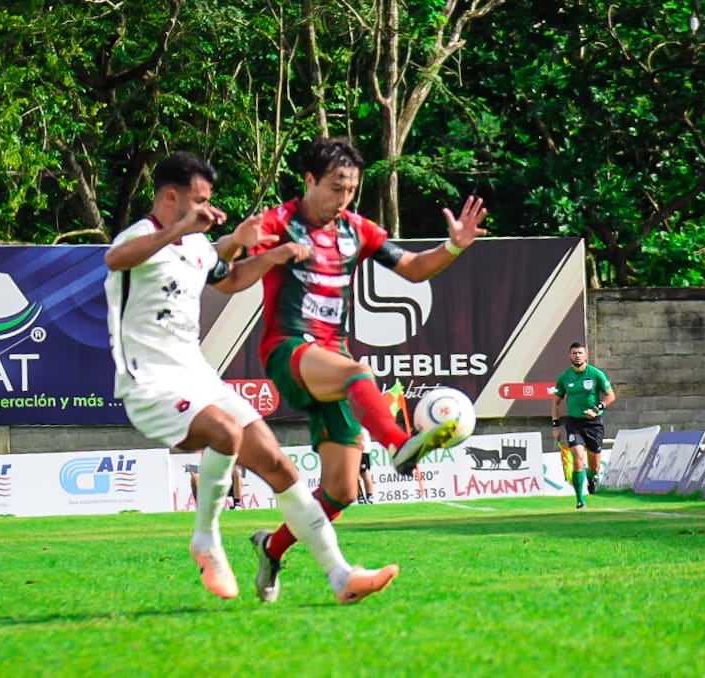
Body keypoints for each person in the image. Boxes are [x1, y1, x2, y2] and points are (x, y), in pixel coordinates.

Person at [105, 150, 398, 604]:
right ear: (171, 197)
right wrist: (184, 230)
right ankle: (206, 539)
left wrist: (272, 254)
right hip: (149, 383)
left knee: (280, 466)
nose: (207, 210)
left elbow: (230, 276)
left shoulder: (197, 246)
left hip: (198, 377)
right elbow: (115, 258)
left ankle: (342, 577)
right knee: (225, 433)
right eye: (199, 201)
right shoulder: (142, 236)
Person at [246, 137, 488, 603]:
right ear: (309, 180)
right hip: (288, 349)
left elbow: (413, 268)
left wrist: (454, 247)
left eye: (352, 189)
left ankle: (271, 549)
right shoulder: (279, 222)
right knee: (360, 373)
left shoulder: (357, 229)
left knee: (340, 491)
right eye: (336, 187)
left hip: (330, 357)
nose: (344, 198)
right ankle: (398, 444)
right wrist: (243, 246)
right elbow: (232, 265)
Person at [551, 342, 616, 509]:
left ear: (586, 355)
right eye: (574, 353)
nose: (577, 356)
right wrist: (556, 427)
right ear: (569, 356)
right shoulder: (564, 377)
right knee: (578, 458)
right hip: (575, 423)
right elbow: (556, 403)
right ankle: (580, 500)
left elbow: (610, 396)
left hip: (594, 424)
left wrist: (596, 409)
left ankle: (591, 475)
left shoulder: (595, 374)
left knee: (595, 465)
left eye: (580, 353)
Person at [358, 432, 376, 504]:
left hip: (361, 449)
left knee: (364, 472)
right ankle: (360, 497)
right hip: (351, 448)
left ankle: (369, 496)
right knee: (353, 474)